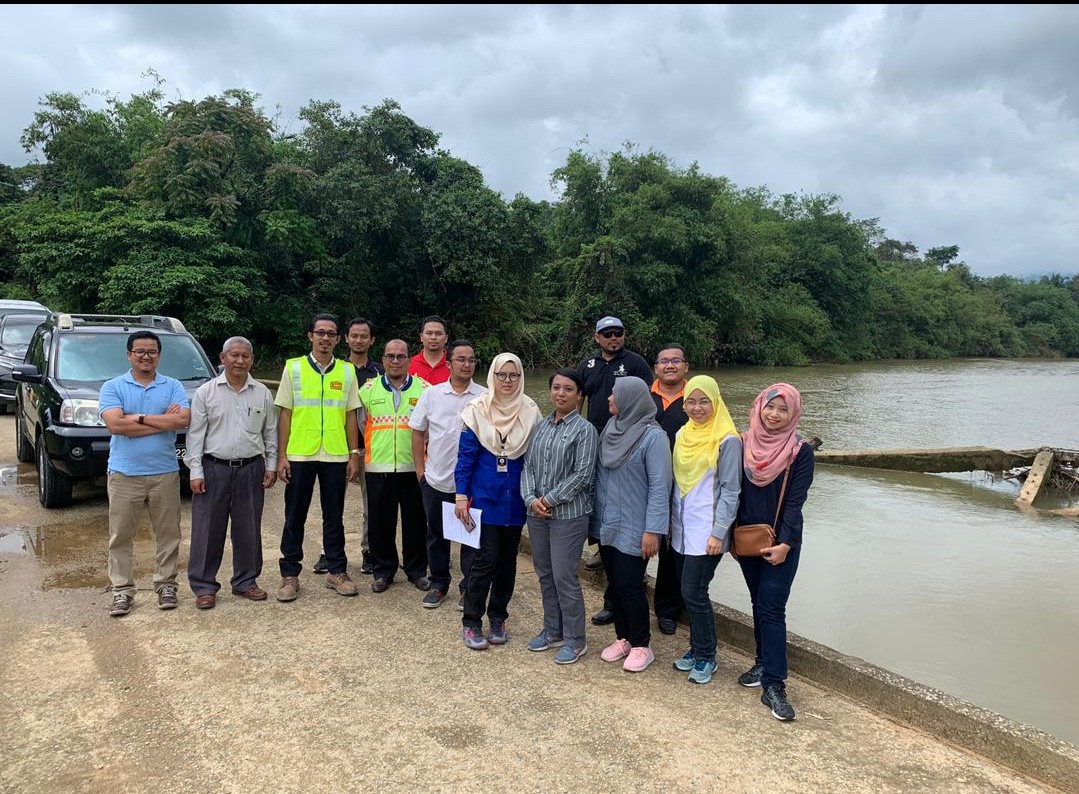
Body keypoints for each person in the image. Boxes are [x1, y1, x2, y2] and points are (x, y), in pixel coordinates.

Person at [736, 383, 814, 722]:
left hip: (781, 543)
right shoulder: (741, 444)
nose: (775, 415)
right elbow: (731, 492)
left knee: (771, 608)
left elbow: (795, 502)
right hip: (748, 541)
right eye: (771, 407)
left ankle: (774, 684)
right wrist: (731, 540)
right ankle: (763, 661)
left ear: (793, 414)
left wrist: (785, 543)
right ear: (759, 407)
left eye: (783, 410)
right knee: (757, 603)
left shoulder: (799, 452)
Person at [99, 330, 191, 616]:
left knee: (168, 534)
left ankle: (166, 585)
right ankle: (122, 591)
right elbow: (115, 426)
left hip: (165, 472)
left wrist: (135, 417)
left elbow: (182, 419)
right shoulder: (113, 387)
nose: (146, 356)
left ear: (159, 355)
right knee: (121, 536)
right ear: (129, 355)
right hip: (124, 473)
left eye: (152, 351)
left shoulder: (173, 385)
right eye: (140, 351)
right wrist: (162, 421)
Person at [455, 353, 541, 650]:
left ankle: (498, 616)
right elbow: (465, 458)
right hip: (484, 498)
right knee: (484, 561)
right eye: (502, 375)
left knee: (507, 562)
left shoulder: (530, 410)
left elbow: (537, 459)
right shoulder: (476, 410)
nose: (507, 381)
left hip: (516, 500)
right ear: (492, 376)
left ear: (521, 378)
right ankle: (471, 622)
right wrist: (461, 496)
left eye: (514, 375)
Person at [185, 337, 279, 609]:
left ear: (252, 359)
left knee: (248, 527)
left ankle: (246, 581)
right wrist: (195, 471)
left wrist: (271, 465)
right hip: (214, 468)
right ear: (223, 358)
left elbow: (270, 431)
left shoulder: (261, 392)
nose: (240, 361)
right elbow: (195, 435)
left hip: (251, 468)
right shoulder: (206, 392)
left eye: (245, 356)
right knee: (207, 529)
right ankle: (204, 586)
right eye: (234, 355)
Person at [275, 314, 362, 602]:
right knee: (294, 516)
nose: (325, 338)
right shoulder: (294, 368)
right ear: (310, 335)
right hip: (300, 453)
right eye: (320, 332)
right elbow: (285, 413)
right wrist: (282, 456)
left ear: (339, 339)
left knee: (334, 516)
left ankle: (337, 571)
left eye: (331, 334)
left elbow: (351, 415)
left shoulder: (347, 371)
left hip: (336, 455)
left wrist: (353, 454)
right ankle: (289, 574)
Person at [577, 315, 653, 622]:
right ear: (597, 337)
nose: (613, 338)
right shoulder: (588, 366)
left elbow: (648, 400)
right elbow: (578, 400)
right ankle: (599, 547)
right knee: (598, 502)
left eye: (618, 333)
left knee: (625, 508)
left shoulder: (635, 364)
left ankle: (616, 596)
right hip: (595, 442)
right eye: (607, 334)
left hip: (629, 443)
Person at [593, 377, 672, 672]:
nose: (610, 398)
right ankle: (623, 638)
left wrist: (653, 530)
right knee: (615, 584)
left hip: (637, 527)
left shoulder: (654, 438)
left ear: (630, 399)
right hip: (608, 523)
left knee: (629, 585)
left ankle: (642, 645)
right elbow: (600, 480)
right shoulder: (611, 430)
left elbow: (660, 487)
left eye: (615, 394)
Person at [521, 368, 598, 664]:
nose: (560, 394)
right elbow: (527, 466)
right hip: (537, 514)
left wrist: (548, 499)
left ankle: (576, 639)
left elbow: (582, 475)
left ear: (579, 395)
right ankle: (553, 629)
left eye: (568, 389)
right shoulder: (541, 425)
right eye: (556, 388)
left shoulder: (585, 430)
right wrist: (531, 499)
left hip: (569, 515)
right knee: (544, 574)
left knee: (565, 576)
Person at [669, 375, 741, 684]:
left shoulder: (728, 440)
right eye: (691, 401)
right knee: (689, 593)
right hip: (680, 529)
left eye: (704, 401)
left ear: (716, 402)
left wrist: (719, 532)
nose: (697, 408)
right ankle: (696, 649)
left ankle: (707, 656)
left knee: (694, 592)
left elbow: (731, 490)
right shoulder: (682, 434)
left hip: (707, 532)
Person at [409, 339, 485, 608]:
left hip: (473, 483)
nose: (466, 364)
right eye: (461, 359)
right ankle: (439, 583)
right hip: (436, 478)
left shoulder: (485, 396)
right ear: (449, 362)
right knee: (437, 534)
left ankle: (469, 588)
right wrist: (421, 472)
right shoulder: (432, 394)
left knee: (470, 536)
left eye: (471, 359)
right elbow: (417, 433)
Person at [313, 317, 383, 576]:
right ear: (346, 338)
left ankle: (369, 550)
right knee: (332, 504)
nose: (359, 340)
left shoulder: (379, 373)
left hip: (372, 449)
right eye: (354, 335)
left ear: (371, 340)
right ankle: (327, 552)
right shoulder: (337, 369)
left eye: (364, 336)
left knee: (372, 504)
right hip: (336, 448)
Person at [360, 339, 430, 593]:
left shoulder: (424, 390)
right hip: (378, 467)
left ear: (409, 359)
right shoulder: (368, 389)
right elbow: (361, 423)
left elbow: (431, 429)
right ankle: (383, 570)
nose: (395, 361)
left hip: (413, 467)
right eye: (390, 356)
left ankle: (417, 570)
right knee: (380, 523)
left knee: (416, 521)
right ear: (384, 359)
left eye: (401, 356)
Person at [650, 343, 691, 635]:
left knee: (673, 549)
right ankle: (616, 602)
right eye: (664, 361)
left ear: (686, 366)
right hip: (644, 482)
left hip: (683, 483)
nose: (670, 366)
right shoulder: (643, 398)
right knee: (632, 544)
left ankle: (667, 610)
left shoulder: (697, 398)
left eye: (676, 361)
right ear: (656, 368)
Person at [409, 315, 450, 385]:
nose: (433, 337)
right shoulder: (408, 364)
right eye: (429, 333)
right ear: (421, 337)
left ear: (446, 338)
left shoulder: (454, 365)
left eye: (438, 334)